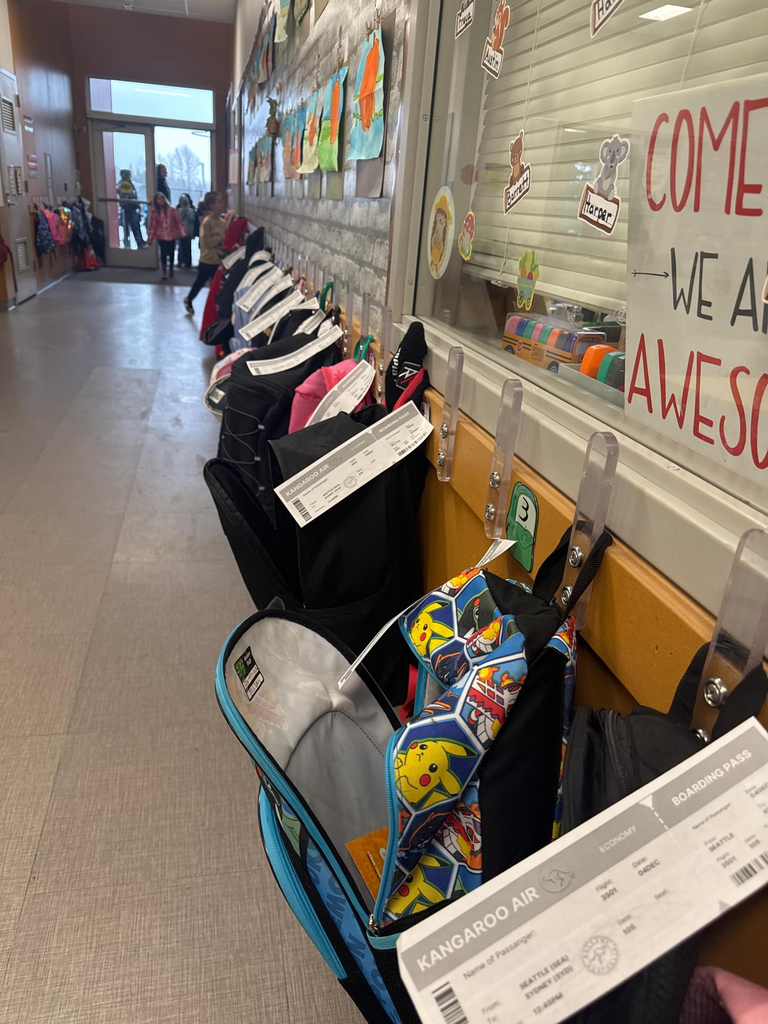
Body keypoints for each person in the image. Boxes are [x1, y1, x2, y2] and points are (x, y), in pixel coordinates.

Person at [184, 190, 233, 314]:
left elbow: (226, 240)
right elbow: (205, 242)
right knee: (200, 282)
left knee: (217, 287)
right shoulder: (207, 223)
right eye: (219, 202)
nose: (222, 204)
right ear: (212, 206)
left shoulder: (223, 223)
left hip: (219, 260)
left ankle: (215, 308)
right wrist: (220, 238)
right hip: (207, 260)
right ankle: (189, 299)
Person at [147, 192, 185, 280]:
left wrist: (183, 232)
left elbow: (178, 222)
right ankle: (164, 270)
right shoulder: (155, 212)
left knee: (171, 253)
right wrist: (150, 238)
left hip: (172, 235)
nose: (160, 201)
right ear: (156, 201)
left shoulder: (172, 210)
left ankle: (171, 268)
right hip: (161, 236)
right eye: (158, 199)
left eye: (162, 198)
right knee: (163, 254)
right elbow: (153, 226)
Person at [116, 169, 146, 248]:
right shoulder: (125, 184)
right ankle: (139, 243)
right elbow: (128, 196)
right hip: (129, 208)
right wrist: (136, 204)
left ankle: (139, 242)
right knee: (134, 226)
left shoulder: (124, 183)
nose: (130, 177)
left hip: (129, 207)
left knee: (134, 226)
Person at [176, 193, 197, 268]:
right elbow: (178, 219)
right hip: (181, 232)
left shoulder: (191, 211)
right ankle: (180, 261)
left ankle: (188, 262)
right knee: (181, 247)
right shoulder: (178, 210)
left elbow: (192, 218)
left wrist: (187, 210)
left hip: (189, 231)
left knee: (188, 247)